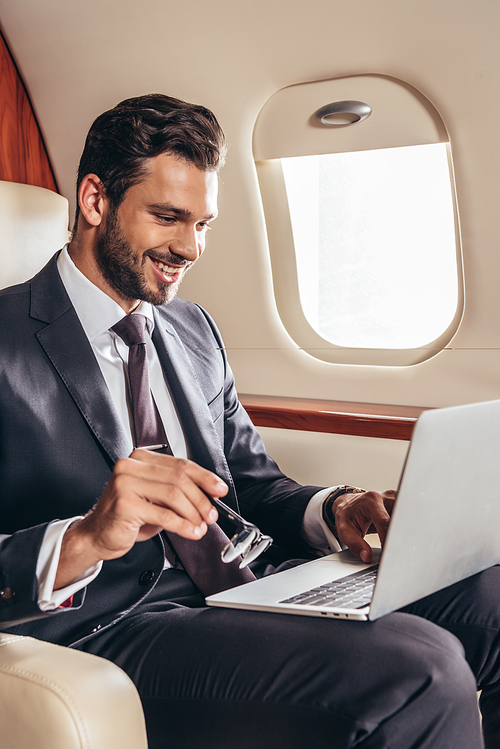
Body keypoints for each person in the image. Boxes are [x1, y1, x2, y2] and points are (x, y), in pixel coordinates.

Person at [0, 94, 499, 748]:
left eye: (203, 223)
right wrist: (90, 534)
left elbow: (255, 486)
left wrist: (337, 507)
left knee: (490, 595)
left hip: (249, 582)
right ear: (95, 201)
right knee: (421, 670)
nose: (191, 247)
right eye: (169, 217)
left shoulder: (192, 328)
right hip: (118, 620)